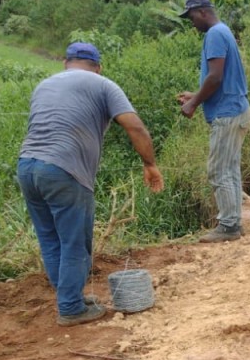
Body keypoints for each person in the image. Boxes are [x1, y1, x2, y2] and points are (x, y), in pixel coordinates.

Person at [18, 41, 164, 326]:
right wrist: (150, 164)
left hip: (27, 167)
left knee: (51, 239)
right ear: (98, 67)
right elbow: (134, 126)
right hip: (64, 170)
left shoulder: (44, 85)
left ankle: (69, 298)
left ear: (66, 63)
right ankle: (71, 308)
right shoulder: (104, 85)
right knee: (74, 243)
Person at [176, 0, 250, 243]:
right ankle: (233, 222)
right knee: (229, 168)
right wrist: (195, 94)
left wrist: (193, 104)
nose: (192, 23)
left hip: (227, 113)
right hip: (235, 109)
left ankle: (229, 226)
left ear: (203, 12)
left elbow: (215, 77)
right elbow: (218, 78)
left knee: (218, 170)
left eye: (192, 17)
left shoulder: (215, 35)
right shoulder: (223, 31)